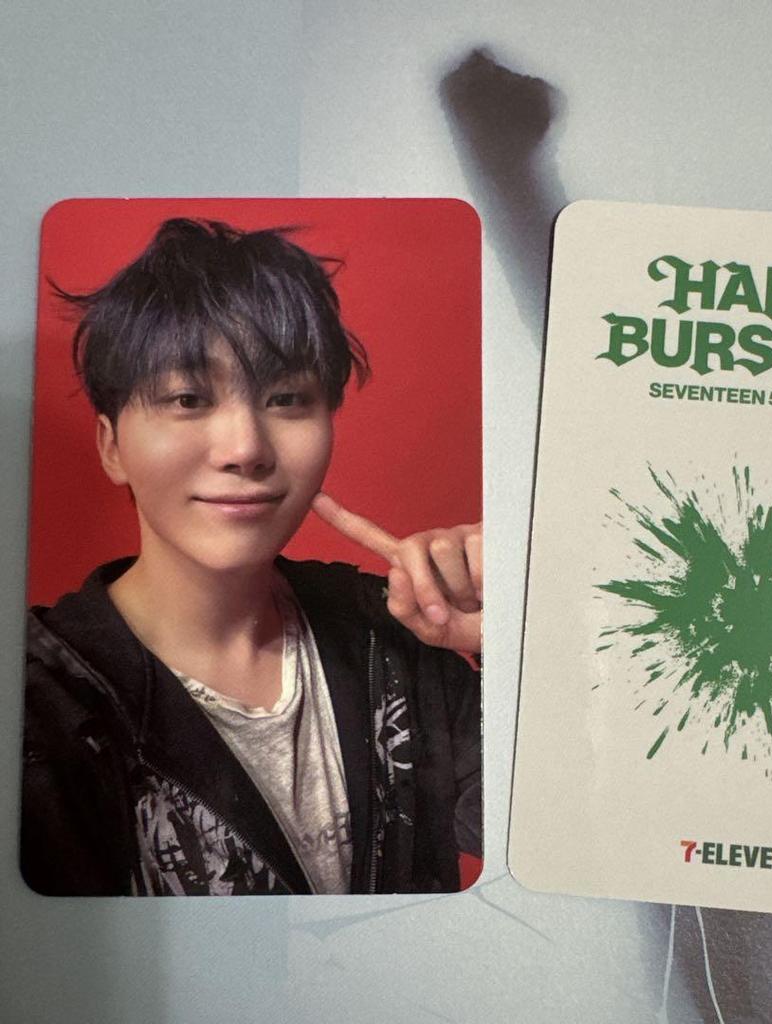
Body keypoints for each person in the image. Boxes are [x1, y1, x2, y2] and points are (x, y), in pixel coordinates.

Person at [21, 218, 482, 896]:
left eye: (286, 399)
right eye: (188, 399)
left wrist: (515, 647)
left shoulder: (394, 633)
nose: (245, 448)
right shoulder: (40, 703)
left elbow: (555, 830)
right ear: (111, 446)